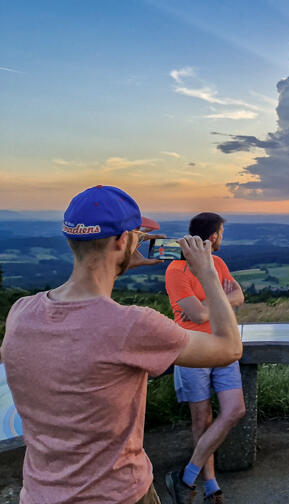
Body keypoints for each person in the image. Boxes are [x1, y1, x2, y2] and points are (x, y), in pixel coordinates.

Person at [0, 185, 242, 504]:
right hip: (117, 494)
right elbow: (229, 348)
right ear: (123, 240)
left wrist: (120, 262)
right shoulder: (134, 325)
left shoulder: (21, 312)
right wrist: (208, 273)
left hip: (40, 494)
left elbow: (88, 320)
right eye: (138, 235)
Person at [164, 213, 245, 504]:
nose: (222, 238)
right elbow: (198, 316)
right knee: (202, 418)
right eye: (221, 232)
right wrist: (220, 302)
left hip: (223, 344)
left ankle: (186, 476)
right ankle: (209, 484)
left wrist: (206, 305)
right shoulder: (176, 270)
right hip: (192, 348)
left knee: (234, 410)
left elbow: (239, 296)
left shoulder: (219, 263)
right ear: (213, 236)